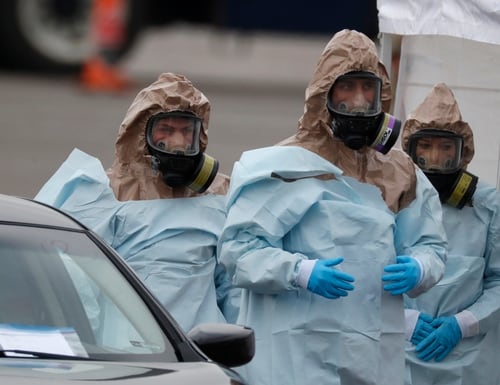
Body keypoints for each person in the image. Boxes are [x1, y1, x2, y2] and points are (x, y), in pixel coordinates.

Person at [218, 29, 447, 385]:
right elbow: (238, 251)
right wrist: (299, 272)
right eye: (346, 89)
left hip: (372, 352)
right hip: (297, 354)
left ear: (381, 95)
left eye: (367, 89)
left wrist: (420, 267)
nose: (358, 101)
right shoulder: (282, 166)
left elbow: (432, 245)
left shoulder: (400, 172)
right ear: (324, 95)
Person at [36, 72, 240, 331]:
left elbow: (233, 286)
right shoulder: (104, 193)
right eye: (165, 130)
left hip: (198, 348)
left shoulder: (218, 195)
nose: (178, 143)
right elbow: (73, 281)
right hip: (128, 344)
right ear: (141, 136)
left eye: (186, 131)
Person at [401, 82, 500, 384]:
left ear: (464, 153)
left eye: (446, 148)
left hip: (470, 362)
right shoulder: (390, 198)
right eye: (426, 146)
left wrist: (463, 324)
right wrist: (404, 321)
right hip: (400, 354)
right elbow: (366, 277)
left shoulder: (488, 205)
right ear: (410, 150)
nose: (434, 158)